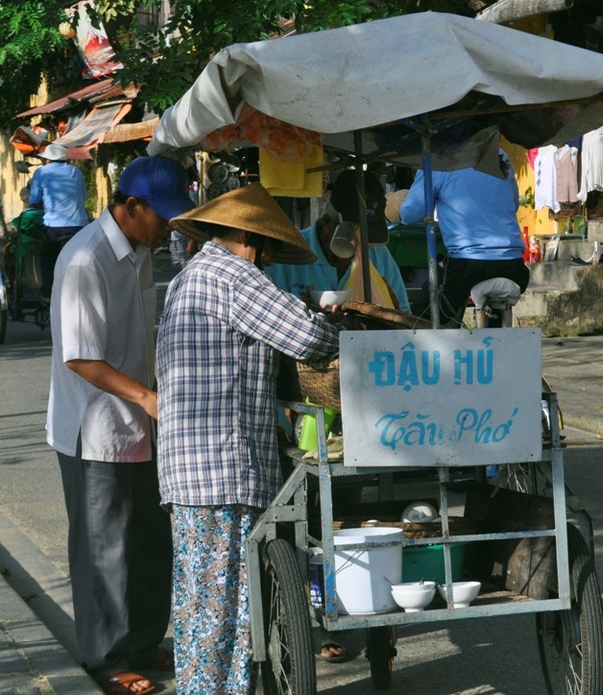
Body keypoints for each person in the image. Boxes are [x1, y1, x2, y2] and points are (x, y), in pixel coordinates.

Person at [156, 183, 344, 694]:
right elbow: (305, 337)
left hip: (195, 468)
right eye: (260, 246)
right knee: (226, 612)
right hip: (221, 469)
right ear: (243, 235)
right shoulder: (230, 275)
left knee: (201, 608)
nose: (262, 258)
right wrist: (331, 325)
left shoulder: (190, 275)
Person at [46, 155, 194, 695]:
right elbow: (80, 357)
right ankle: (107, 660)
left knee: (150, 541)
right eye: (162, 216)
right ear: (131, 207)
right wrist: (146, 398)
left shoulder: (140, 253)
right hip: (95, 427)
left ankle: (143, 638)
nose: (168, 227)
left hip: (141, 422)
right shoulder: (86, 259)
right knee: (104, 547)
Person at [400, 148, 529, 325]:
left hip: (467, 265)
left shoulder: (437, 158)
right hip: (514, 267)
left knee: (422, 317)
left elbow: (410, 215)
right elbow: (513, 204)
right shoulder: (500, 155)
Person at [266, 169, 410, 312]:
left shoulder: (378, 254)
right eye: (350, 236)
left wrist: (393, 307)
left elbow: (404, 317)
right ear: (327, 223)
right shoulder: (289, 250)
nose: (358, 247)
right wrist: (302, 315)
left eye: (365, 236)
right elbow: (269, 315)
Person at [29, 142, 89, 303]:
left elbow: (33, 200)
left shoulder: (41, 173)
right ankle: (83, 290)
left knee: (47, 257)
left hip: (53, 227)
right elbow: (82, 198)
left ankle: (47, 293)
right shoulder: (76, 172)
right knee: (83, 259)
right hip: (78, 226)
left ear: (47, 159)